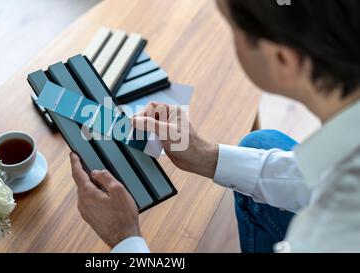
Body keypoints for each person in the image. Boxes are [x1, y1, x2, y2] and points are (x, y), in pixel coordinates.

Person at [69, 0, 360, 253]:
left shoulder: (329, 233)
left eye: (233, 30)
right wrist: (206, 155)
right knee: (259, 144)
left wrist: (124, 238)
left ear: (282, 59)